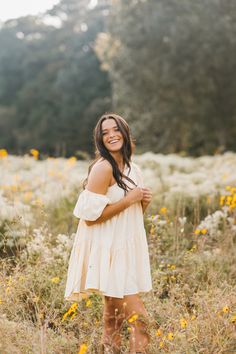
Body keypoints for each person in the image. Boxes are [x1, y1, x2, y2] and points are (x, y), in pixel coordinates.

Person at [64, 113, 153, 353]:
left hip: (124, 250)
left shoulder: (134, 168)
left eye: (116, 130)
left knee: (113, 321)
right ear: (100, 140)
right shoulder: (103, 169)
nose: (112, 135)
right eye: (105, 133)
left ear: (125, 133)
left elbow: (131, 218)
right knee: (141, 322)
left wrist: (142, 202)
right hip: (109, 254)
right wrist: (130, 199)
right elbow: (90, 219)